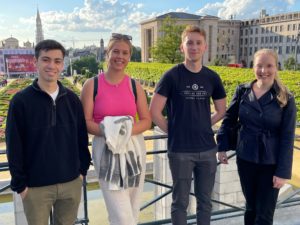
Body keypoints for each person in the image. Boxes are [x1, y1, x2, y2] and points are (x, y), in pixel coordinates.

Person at [5, 39, 91, 225]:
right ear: (36, 62)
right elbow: (14, 146)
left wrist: (81, 172)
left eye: (57, 61)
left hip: (70, 183)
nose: (52, 65)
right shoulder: (20, 101)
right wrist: (21, 186)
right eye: (46, 59)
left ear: (62, 64)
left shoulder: (72, 100)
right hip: (36, 188)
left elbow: (81, 140)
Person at [150, 25, 227, 225]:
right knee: (179, 202)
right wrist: (174, 130)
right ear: (182, 47)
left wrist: (203, 124)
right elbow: (154, 112)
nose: (194, 47)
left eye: (198, 43)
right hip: (180, 151)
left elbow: (221, 110)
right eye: (189, 43)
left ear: (204, 48)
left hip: (207, 150)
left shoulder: (212, 77)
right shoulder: (171, 76)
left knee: (205, 202)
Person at [217, 48, 296, 225]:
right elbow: (229, 120)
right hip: (246, 157)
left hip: (271, 162)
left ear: (276, 67)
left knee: (264, 214)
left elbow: (287, 137)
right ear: (253, 66)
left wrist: (282, 172)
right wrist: (221, 146)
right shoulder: (242, 91)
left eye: (269, 66)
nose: (264, 70)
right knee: (250, 208)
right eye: (259, 65)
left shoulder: (286, 98)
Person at [80, 33, 151, 225]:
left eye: (125, 53)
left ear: (130, 56)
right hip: (106, 149)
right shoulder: (91, 85)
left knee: (132, 206)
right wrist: (111, 131)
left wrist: (124, 130)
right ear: (107, 53)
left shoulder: (135, 86)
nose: (120, 56)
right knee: (121, 213)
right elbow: (84, 121)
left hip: (134, 149)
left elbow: (147, 120)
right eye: (116, 51)